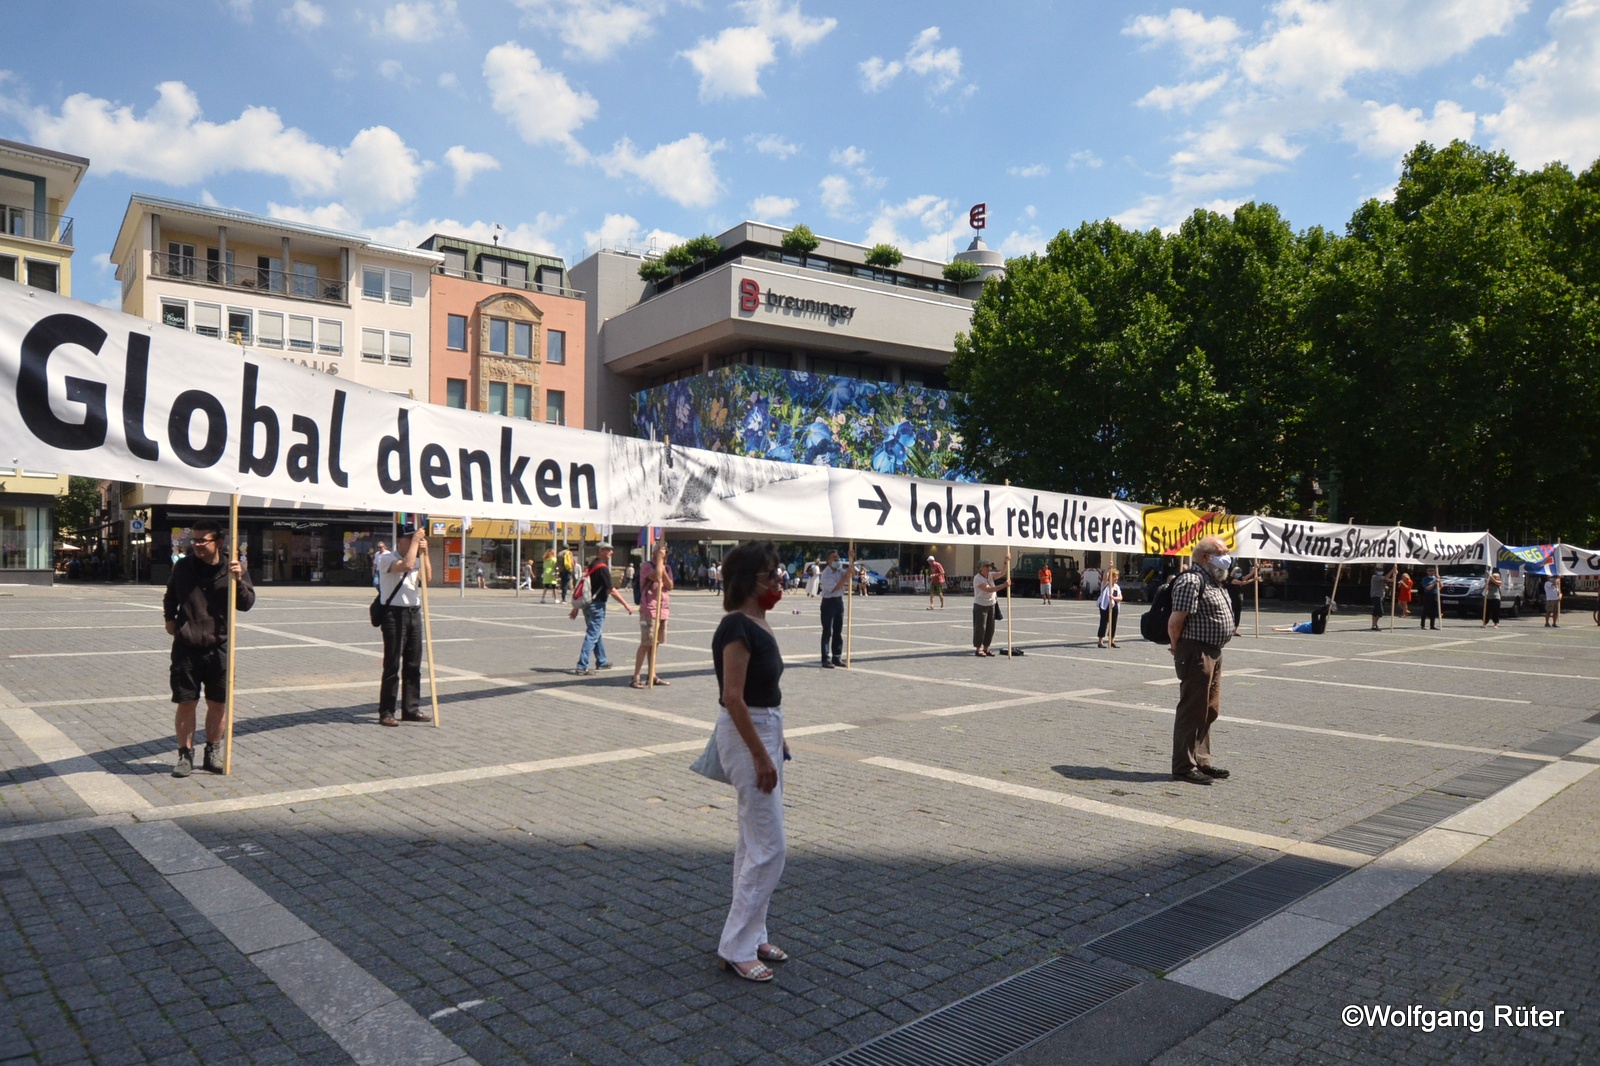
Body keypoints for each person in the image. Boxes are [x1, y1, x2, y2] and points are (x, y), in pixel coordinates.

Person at [710, 541, 791, 982]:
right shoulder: (737, 626)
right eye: (770, 574)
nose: (778, 580)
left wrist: (778, 739)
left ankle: (753, 933)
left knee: (752, 843)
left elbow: (765, 692)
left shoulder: (759, 622)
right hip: (747, 735)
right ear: (747, 581)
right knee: (771, 848)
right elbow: (733, 697)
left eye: (778, 571)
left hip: (765, 729)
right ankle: (735, 946)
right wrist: (761, 754)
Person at [163, 520, 255, 776]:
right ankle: (185, 755)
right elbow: (170, 596)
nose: (197, 545)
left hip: (220, 646)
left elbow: (246, 604)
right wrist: (170, 619)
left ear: (219, 542)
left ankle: (212, 751)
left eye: (203, 540)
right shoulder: (183, 567)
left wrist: (239, 580)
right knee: (186, 702)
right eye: (194, 540)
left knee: (218, 703)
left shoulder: (233, 568)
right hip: (187, 647)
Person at [1166, 535, 1235, 785]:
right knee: (1192, 710)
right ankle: (1184, 766)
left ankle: (1201, 760)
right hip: (1196, 653)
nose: (1227, 557)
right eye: (1222, 552)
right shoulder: (1192, 580)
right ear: (1206, 556)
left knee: (1209, 709)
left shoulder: (1214, 580)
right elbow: (1176, 621)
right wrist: (1177, 648)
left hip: (1213, 652)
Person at [374, 524, 430, 727]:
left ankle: (411, 709)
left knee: (413, 664)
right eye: (410, 538)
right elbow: (406, 565)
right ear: (400, 541)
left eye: (416, 538)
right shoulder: (386, 558)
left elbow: (427, 578)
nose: (415, 540)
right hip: (394, 614)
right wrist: (415, 542)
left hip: (413, 612)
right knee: (392, 664)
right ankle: (386, 711)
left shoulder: (416, 558)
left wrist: (426, 553)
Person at [569, 542, 633, 674]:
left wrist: (576, 607)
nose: (611, 552)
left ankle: (602, 661)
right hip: (597, 605)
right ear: (600, 551)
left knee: (596, 633)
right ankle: (582, 666)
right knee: (593, 634)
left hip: (587, 605)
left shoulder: (592, 565)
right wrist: (625, 604)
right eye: (608, 550)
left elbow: (584, 587)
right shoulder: (602, 568)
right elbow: (611, 590)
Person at [633, 544, 674, 688]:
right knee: (646, 643)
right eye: (661, 552)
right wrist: (659, 561)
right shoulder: (646, 566)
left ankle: (652, 674)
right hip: (649, 610)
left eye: (665, 552)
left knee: (655, 644)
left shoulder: (667, 568)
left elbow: (670, 585)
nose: (664, 554)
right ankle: (636, 676)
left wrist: (663, 566)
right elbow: (656, 577)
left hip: (662, 610)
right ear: (654, 553)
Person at [972, 556, 1010, 657]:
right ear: (981, 568)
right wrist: (1004, 585)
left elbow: (1002, 573)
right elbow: (989, 589)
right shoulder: (978, 578)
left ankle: (986, 647)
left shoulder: (990, 575)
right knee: (980, 627)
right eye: (987, 566)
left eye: (990, 565)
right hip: (981, 605)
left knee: (990, 627)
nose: (989, 567)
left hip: (991, 604)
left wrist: (1005, 561)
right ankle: (978, 648)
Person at [818, 550, 848, 668]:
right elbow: (837, 587)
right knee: (827, 631)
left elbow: (851, 574)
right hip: (829, 603)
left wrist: (851, 560)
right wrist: (846, 577)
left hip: (839, 602)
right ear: (828, 560)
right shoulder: (826, 574)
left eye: (837, 557)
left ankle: (837, 657)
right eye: (834, 557)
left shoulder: (839, 570)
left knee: (838, 631)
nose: (837, 559)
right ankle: (825, 658)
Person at [1096, 567, 1123, 648]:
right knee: (1104, 622)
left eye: (1117, 576)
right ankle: (1100, 641)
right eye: (1114, 576)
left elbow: (1121, 597)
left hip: (1114, 606)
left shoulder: (1117, 587)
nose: (1116, 578)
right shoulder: (1106, 585)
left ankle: (1111, 640)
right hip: (1105, 606)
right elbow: (1105, 576)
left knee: (1113, 623)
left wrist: (1114, 598)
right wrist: (1109, 568)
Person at [1369, 565, 1394, 631]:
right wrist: (1392, 571)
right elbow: (1385, 577)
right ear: (1376, 571)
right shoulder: (1374, 577)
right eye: (1379, 570)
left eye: (1381, 571)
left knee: (1375, 612)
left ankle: (1374, 625)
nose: (1380, 572)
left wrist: (1395, 574)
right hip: (1376, 596)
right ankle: (1375, 624)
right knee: (1380, 613)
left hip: (1381, 596)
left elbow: (1392, 580)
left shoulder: (1382, 578)